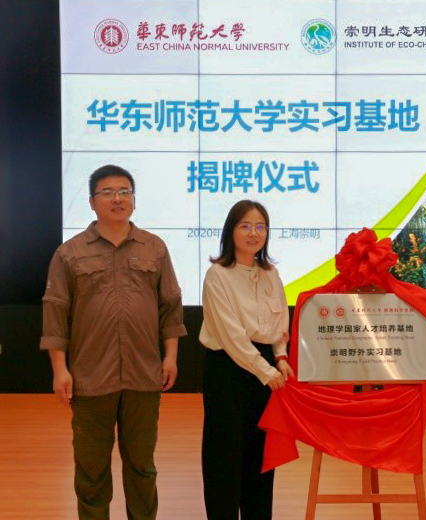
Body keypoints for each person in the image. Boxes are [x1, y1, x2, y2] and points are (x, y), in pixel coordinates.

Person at [40, 164, 187, 520]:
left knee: (142, 467)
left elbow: (170, 306)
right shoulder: (69, 253)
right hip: (90, 378)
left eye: (124, 192)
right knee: (91, 471)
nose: (117, 199)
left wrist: (170, 356)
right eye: (107, 192)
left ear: (133, 200)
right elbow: (55, 312)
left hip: (143, 375)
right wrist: (60, 370)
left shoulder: (154, 248)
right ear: (92, 202)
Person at [199, 199, 294, 520]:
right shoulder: (217, 275)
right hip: (228, 369)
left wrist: (280, 357)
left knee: (260, 455)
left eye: (260, 227)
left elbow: (279, 321)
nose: (254, 233)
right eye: (245, 226)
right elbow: (231, 336)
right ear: (231, 231)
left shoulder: (270, 273)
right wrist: (266, 370)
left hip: (266, 369)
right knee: (224, 456)